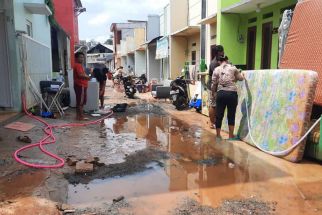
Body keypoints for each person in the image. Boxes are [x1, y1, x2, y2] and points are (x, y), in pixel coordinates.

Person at [212, 56, 245, 139]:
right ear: (227, 61)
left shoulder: (216, 69)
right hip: (231, 94)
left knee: (219, 115)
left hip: (221, 93)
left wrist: (214, 94)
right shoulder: (233, 68)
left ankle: (218, 135)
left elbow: (214, 84)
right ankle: (230, 136)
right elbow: (241, 78)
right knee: (231, 115)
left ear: (219, 62)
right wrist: (242, 75)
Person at [208, 45, 225, 129]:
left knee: (216, 105)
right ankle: (212, 123)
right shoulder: (214, 63)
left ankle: (215, 121)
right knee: (213, 105)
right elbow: (216, 77)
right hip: (213, 86)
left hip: (217, 86)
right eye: (222, 52)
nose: (223, 53)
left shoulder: (219, 61)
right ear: (218, 52)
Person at [73, 52, 90, 120]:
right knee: (80, 102)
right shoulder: (78, 65)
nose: (82, 59)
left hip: (80, 85)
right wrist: (88, 77)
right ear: (76, 58)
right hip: (80, 85)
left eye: (83, 57)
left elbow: (81, 74)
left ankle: (78, 116)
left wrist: (86, 76)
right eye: (80, 57)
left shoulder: (79, 65)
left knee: (80, 101)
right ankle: (81, 117)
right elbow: (80, 75)